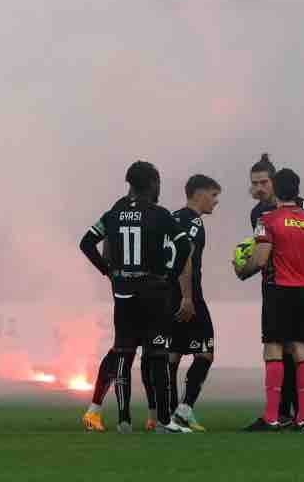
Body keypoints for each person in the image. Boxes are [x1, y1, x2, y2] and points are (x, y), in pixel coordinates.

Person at [79, 161, 194, 434]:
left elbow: (86, 243)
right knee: (157, 354)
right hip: (152, 292)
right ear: (153, 183)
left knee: (123, 353)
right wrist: (169, 275)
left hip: (123, 291)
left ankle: (123, 420)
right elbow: (183, 244)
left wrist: (109, 271)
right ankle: (163, 421)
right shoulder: (159, 214)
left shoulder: (114, 213)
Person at [236, 167, 304, 432]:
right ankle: (303, 418)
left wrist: (242, 269)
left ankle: (272, 416)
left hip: (278, 290)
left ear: (275, 186)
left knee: (273, 349)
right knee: (301, 350)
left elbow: (262, 258)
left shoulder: (268, 219)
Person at [167, 174, 220, 432]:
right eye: (213, 195)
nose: (216, 201)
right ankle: (183, 411)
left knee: (174, 352)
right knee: (205, 351)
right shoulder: (194, 222)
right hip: (188, 294)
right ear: (199, 194)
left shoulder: (172, 217)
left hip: (167, 294)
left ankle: (168, 413)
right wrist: (187, 297)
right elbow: (185, 257)